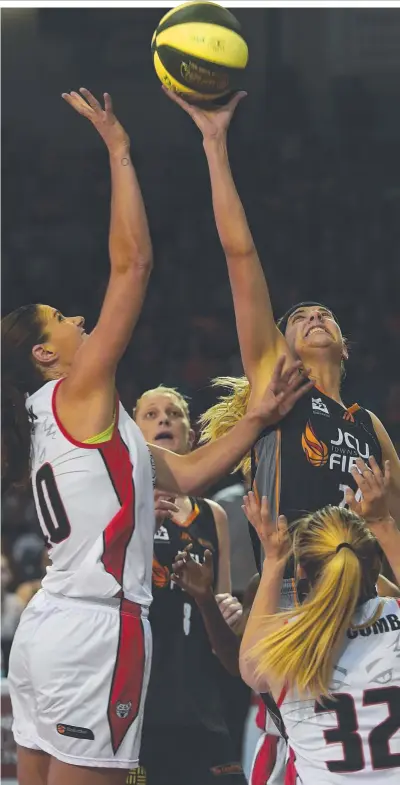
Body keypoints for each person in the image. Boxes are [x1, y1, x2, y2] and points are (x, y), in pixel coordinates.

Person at [2, 89, 312, 785]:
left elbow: (188, 473)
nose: (79, 317)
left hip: (47, 628)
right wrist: (119, 149)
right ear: (44, 356)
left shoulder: (58, 418)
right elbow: (133, 265)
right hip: (96, 630)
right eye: (60, 318)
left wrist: (258, 417)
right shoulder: (81, 391)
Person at [162, 87, 400, 782]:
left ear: (347, 348)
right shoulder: (283, 391)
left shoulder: (370, 425)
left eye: (325, 313)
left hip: (365, 599)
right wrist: (215, 146)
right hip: (292, 592)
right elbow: (241, 259)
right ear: (282, 344)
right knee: (296, 750)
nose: (314, 314)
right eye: (299, 315)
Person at [239, 455, 400, 783]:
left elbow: (250, 667)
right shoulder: (395, 614)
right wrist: (383, 523)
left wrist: (273, 560)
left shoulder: (284, 642)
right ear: (372, 564)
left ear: (301, 571)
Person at [132, 385, 247, 785]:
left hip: (202, 703)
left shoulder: (212, 514)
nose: (164, 419)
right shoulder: (118, 505)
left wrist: (229, 612)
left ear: (191, 436)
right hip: (136, 704)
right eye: (150, 414)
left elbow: (226, 619)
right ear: (132, 434)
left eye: (173, 413)